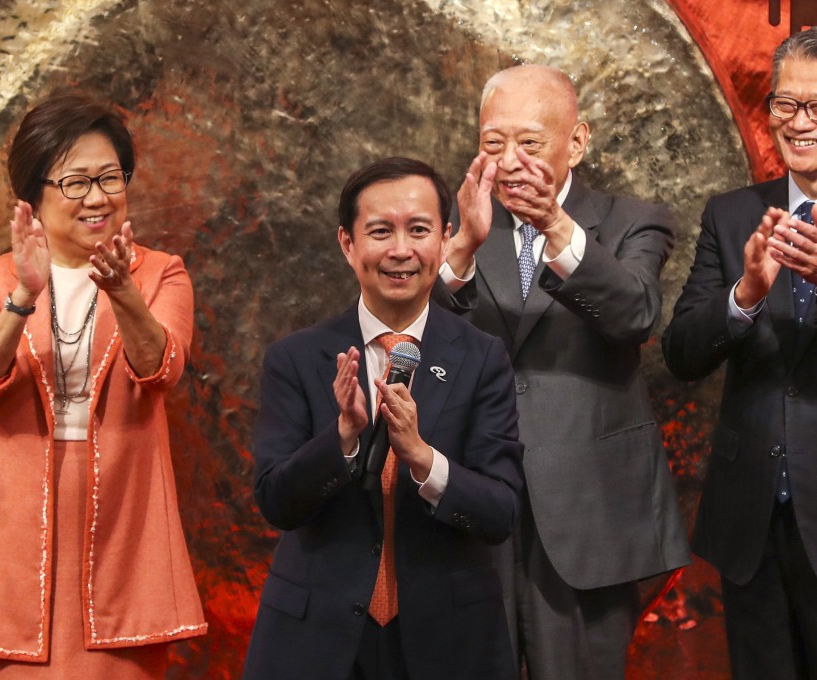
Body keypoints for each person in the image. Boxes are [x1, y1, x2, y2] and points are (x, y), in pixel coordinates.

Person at [0, 91, 206, 678]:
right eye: (76, 182)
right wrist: (23, 299)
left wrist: (125, 295)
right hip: (13, 526)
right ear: (34, 194)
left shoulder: (160, 272)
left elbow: (163, 367)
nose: (98, 197)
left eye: (110, 178)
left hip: (125, 520)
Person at [438, 64, 690, 679]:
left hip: (586, 505)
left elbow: (634, 313)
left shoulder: (634, 219)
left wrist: (553, 223)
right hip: (478, 491)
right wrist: (461, 252)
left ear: (576, 141)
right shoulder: (463, 218)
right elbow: (419, 339)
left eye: (529, 142)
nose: (510, 160)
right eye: (493, 143)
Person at [243, 157, 525, 680]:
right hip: (317, 640)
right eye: (380, 231)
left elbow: (501, 513)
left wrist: (423, 458)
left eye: (418, 230)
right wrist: (343, 438)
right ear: (348, 244)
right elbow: (276, 502)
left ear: (444, 239)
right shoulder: (296, 358)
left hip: (448, 638)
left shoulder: (482, 358)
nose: (400, 250)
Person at [663, 28, 817, 679]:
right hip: (751, 511)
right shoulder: (733, 216)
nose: (799, 123)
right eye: (786, 105)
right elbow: (682, 353)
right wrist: (744, 294)